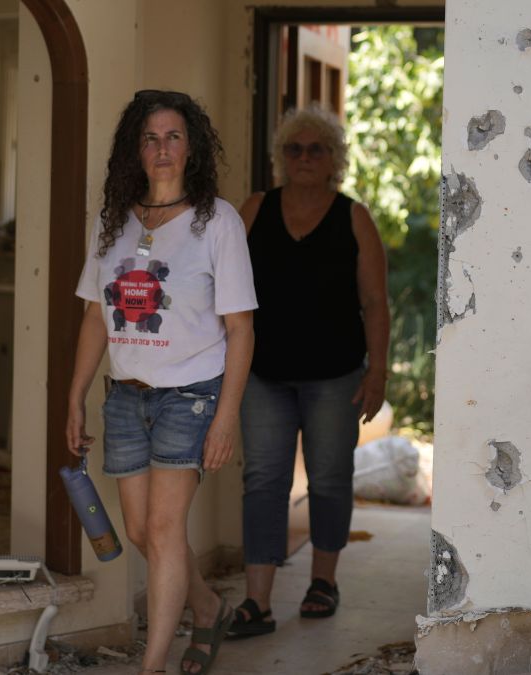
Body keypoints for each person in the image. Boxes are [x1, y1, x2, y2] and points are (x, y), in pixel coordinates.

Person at [67, 90, 256, 675]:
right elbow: (96, 315)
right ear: (135, 149)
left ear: (192, 146)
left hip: (192, 395)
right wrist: (74, 397)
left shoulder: (217, 221)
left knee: (166, 527)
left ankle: (151, 667)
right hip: (126, 395)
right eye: (150, 137)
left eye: (174, 136)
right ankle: (207, 606)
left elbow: (241, 330)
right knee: (142, 531)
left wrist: (226, 416)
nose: (163, 148)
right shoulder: (113, 222)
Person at [228, 105, 389, 638]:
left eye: (315, 149)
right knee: (263, 483)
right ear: (281, 158)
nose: (303, 158)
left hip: (335, 375)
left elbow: (375, 303)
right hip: (262, 375)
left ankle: (323, 582)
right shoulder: (253, 209)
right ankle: (257, 602)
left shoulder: (353, 217)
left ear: (333, 160)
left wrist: (377, 373)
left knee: (328, 479)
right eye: (293, 149)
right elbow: (222, 289)